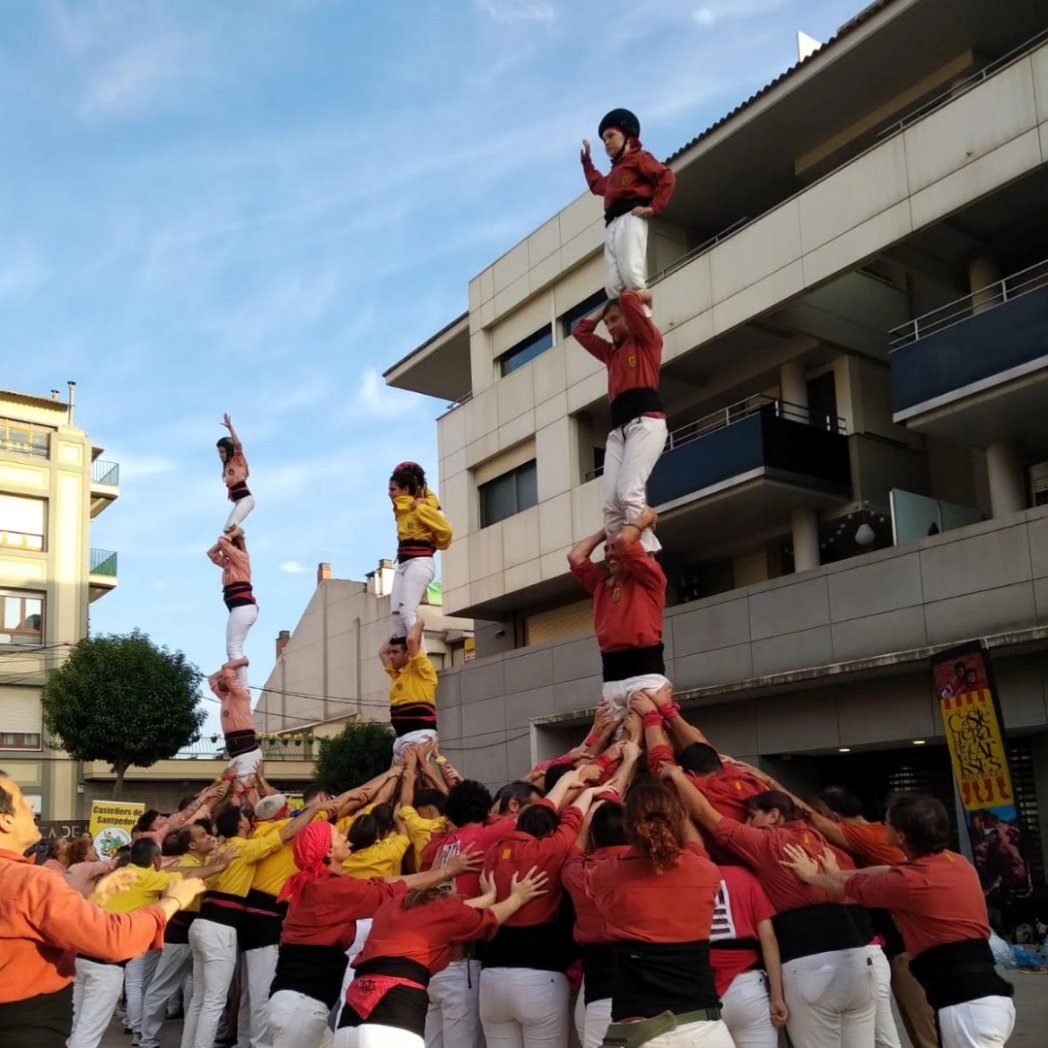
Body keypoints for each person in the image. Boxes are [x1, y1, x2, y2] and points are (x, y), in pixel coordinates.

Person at [782, 793, 1016, 1048]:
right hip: (988, 1001)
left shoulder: (909, 883)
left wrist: (811, 876)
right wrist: (838, 873)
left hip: (966, 1008)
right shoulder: (956, 862)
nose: (883, 827)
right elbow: (886, 871)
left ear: (901, 836)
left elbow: (852, 886)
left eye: (887, 823)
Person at [665, 768, 875, 1048]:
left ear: (773, 816)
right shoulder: (820, 839)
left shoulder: (767, 841)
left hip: (810, 963)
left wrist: (675, 776)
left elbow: (705, 813)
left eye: (752, 815)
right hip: (858, 959)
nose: (748, 822)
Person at [0, 771, 205, 1048]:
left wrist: (95, 899)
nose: (31, 806)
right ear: (6, 819)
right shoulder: (30, 880)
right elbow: (114, 939)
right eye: (22, 799)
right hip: (25, 1027)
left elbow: (40, 924)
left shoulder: (28, 879)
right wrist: (173, 901)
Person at [268, 820, 482, 1048]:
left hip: (299, 1006)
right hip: (301, 1008)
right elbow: (390, 890)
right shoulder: (328, 889)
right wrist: (447, 871)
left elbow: (380, 885)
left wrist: (435, 874)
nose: (343, 836)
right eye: (337, 835)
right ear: (329, 850)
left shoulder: (319, 887)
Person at [584, 780, 734, 1048]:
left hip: (633, 1031)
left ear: (628, 827)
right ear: (677, 821)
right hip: (703, 1028)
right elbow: (692, 849)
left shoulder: (603, 876)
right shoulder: (706, 872)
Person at [333, 867, 549, 1048]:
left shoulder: (391, 908)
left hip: (348, 1024)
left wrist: (487, 897)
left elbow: (446, 913)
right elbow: (487, 920)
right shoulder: (442, 914)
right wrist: (517, 898)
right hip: (392, 1022)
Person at [180, 801, 318, 1048]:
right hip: (220, 927)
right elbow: (287, 832)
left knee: (200, 999)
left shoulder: (218, 850)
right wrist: (315, 810)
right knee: (214, 1001)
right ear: (242, 824)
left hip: (201, 924)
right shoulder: (244, 848)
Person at [69, 838, 230, 1048]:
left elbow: (177, 870)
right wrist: (220, 866)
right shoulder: (147, 878)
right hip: (106, 965)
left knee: (78, 1027)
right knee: (88, 1033)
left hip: (82, 957)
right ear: (156, 860)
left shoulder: (120, 873)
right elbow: (185, 875)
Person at [478, 769, 599, 1048]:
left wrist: (568, 780)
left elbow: (538, 816)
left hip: (491, 975)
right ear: (548, 831)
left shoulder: (495, 850)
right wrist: (590, 793)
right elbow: (572, 821)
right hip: (540, 974)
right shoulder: (550, 850)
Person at [572, 293, 665, 553]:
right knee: (612, 502)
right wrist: (604, 311)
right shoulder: (610, 353)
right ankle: (617, 554)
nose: (610, 327)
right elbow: (580, 332)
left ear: (631, 318)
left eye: (615, 320)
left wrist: (639, 296)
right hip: (618, 431)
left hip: (645, 423)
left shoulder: (648, 340)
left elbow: (628, 299)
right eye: (607, 323)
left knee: (629, 491)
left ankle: (645, 552)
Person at [139, 824, 226, 1048]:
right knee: (162, 989)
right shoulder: (187, 864)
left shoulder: (201, 863)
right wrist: (220, 865)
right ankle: (147, 1040)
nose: (209, 838)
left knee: (195, 990)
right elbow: (188, 876)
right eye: (203, 836)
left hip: (193, 932)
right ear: (191, 845)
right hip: (178, 933)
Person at [568, 528, 668, 720]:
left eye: (615, 549)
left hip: (645, 671)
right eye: (606, 549)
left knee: (652, 733)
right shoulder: (601, 584)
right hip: (612, 674)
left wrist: (638, 523)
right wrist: (605, 531)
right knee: (613, 739)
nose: (610, 554)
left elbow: (624, 541)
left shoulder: (650, 579)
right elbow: (576, 557)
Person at [580, 108, 676, 298]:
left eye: (610, 136)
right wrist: (587, 163)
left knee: (631, 272)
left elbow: (666, 176)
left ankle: (642, 314)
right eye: (603, 139)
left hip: (631, 217)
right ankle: (625, 321)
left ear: (627, 136)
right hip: (612, 223)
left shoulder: (639, 158)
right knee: (613, 284)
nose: (606, 142)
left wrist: (654, 207)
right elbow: (598, 185)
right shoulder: (616, 172)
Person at [711, 864, 787, 1048]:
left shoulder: (682, 878)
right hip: (749, 989)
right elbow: (767, 936)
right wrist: (777, 996)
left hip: (703, 990)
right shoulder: (743, 875)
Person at [388, 461, 452, 639]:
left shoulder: (422, 501)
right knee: (397, 613)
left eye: (393, 489)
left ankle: (419, 654)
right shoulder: (403, 507)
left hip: (419, 558)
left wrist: (435, 545)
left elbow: (444, 528)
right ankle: (404, 651)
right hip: (405, 562)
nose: (389, 494)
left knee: (408, 610)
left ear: (406, 486)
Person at [380, 618, 439, 761]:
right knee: (398, 778)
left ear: (408, 654)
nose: (391, 656)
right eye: (391, 652)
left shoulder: (421, 670)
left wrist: (416, 621)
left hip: (419, 733)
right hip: (401, 735)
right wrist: (398, 628)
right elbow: (382, 652)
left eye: (395, 652)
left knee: (409, 776)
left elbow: (412, 640)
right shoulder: (396, 674)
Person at [207, 528, 258, 685]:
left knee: (234, 648)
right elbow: (211, 554)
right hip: (238, 609)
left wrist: (234, 535)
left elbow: (223, 542)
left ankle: (243, 686)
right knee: (232, 649)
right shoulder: (229, 562)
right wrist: (233, 537)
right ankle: (240, 682)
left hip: (243, 608)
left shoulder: (241, 558)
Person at [208, 664, 263, 797]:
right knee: (234, 790)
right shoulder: (225, 697)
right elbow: (211, 679)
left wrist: (240, 661)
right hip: (236, 752)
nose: (220, 679)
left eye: (223, 677)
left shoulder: (240, 694)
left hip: (247, 751)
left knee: (244, 790)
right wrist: (223, 671)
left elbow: (227, 673)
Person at [217, 413, 254, 532]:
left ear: (228, 451)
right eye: (219, 452)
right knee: (226, 530)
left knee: (232, 526)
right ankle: (238, 549)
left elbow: (238, 446)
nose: (220, 455)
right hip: (238, 502)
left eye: (222, 452)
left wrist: (230, 428)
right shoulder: (226, 468)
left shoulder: (237, 461)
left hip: (246, 500)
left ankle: (239, 541)